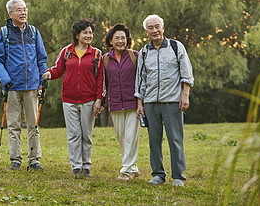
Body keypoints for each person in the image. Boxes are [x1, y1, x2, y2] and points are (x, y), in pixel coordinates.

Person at [135, 14, 194, 187]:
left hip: (172, 102)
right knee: (154, 139)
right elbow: (140, 79)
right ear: (146, 31)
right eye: (150, 28)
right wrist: (140, 103)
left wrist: (185, 95)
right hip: (150, 103)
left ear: (163, 27)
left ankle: (178, 176)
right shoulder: (144, 51)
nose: (155, 30)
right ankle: (158, 174)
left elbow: (186, 72)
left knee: (175, 139)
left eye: (157, 26)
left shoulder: (176, 46)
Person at [42, 19, 104, 178]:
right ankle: (76, 166)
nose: (89, 35)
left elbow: (100, 80)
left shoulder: (96, 54)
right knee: (74, 134)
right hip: (69, 100)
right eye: (85, 32)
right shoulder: (66, 52)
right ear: (77, 35)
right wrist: (50, 73)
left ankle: (86, 166)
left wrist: (98, 99)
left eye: (91, 32)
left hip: (89, 100)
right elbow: (58, 69)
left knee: (86, 135)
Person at [0, 0, 48, 171]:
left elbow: (41, 58)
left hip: (32, 87)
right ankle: (15, 159)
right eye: (19, 10)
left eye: (25, 9)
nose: (23, 13)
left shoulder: (34, 32)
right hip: (12, 87)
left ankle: (34, 160)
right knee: (14, 126)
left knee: (33, 125)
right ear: (10, 14)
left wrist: (41, 81)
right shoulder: (3, 34)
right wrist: (5, 80)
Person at [102, 23, 141, 181]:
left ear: (127, 40)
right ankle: (133, 168)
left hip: (133, 103)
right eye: (116, 38)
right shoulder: (105, 59)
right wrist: (101, 102)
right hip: (116, 103)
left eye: (123, 38)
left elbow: (142, 80)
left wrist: (140, 102)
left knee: (132, 136)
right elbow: (103, 83)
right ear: (110, 40)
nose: (120, 41)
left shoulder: (135, 56)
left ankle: (125, 170)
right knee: (122, 137)